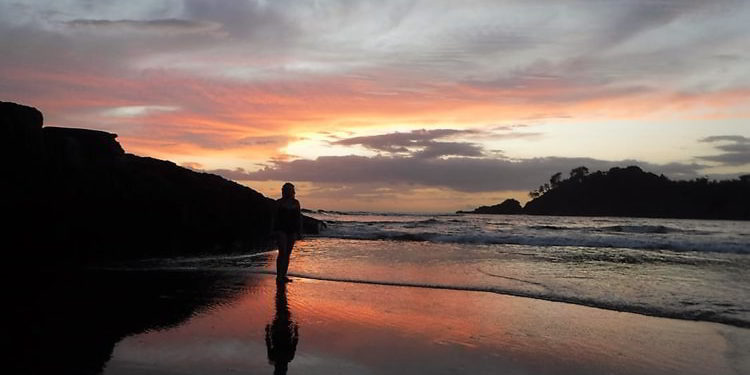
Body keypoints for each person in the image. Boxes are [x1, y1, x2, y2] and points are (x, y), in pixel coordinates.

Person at [273, 182, 302, 282]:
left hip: (292, 229)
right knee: (282, 252)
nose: (288, 191)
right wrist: (273, 230)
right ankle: (279, 276)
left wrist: (299, 231)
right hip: (281, 229)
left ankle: (283, 275)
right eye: (286, 189)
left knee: (288, 253)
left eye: (290, 190)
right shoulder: (279, 202)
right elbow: (274, 218)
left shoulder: (296, 203)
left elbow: (298, 217)